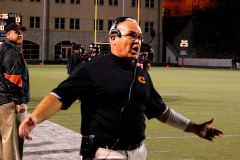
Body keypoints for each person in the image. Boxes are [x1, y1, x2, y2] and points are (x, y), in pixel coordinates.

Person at [19, 17, 223, 160]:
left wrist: (195, 128)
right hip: (106, 154)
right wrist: (35, 117)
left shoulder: (141, 74)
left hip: (139, 153)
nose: (138, 41)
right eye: (132, 36)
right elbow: (59, 96)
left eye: (140, 37)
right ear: (113, 38)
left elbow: (161, 111)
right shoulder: (91, 69)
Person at [0, 22, 30, 160]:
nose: (20, 34)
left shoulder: (3, 48)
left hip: (2, 100)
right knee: (11, 144)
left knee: (3, 142)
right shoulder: (11, 51)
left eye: (21, 32)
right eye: (16, 32)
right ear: (8, 34)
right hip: (9, 102)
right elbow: (13, 78)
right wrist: (19, 100)